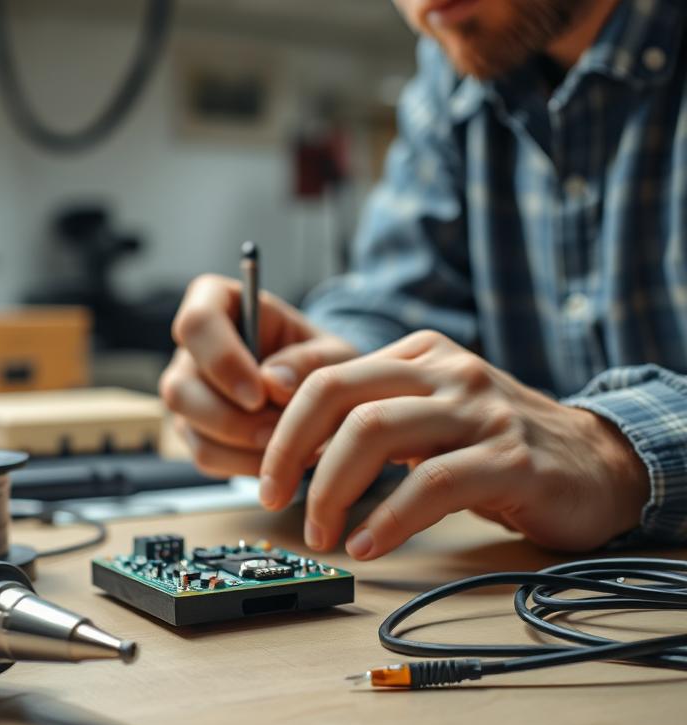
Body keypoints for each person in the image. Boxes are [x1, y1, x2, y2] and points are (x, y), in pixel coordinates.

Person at [159, 0, 687, 561]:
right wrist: (320, 383)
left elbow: (590, 453)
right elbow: (403, 300)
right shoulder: (457, 65)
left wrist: (616, 455)